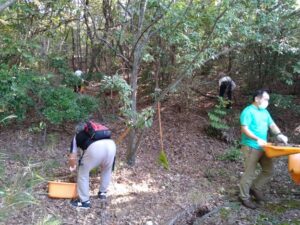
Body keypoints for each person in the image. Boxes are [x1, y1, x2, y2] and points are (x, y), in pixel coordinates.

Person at [239, 89, 288, 209]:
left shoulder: (265, 112)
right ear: (257, 99)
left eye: (268, 100)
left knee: (269, 170)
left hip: (264, 147)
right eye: (265, 99)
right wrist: (256, 139)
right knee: (249, 173)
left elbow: (272, 124)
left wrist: (279, 134)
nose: (267, 102)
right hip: (251, 146)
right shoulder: (248, 111)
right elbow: (244, 129)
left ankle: (255, 188)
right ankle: (244, 197)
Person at [68, 122, 116, 208]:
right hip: (111, 145)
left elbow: (72, 157)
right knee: (106, 170)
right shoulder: (97, 133)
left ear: (77, 130)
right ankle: (102, 193)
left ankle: (84, 202)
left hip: (95, 148)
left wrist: (72, 167)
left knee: (83, 173)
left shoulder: (77, 136)